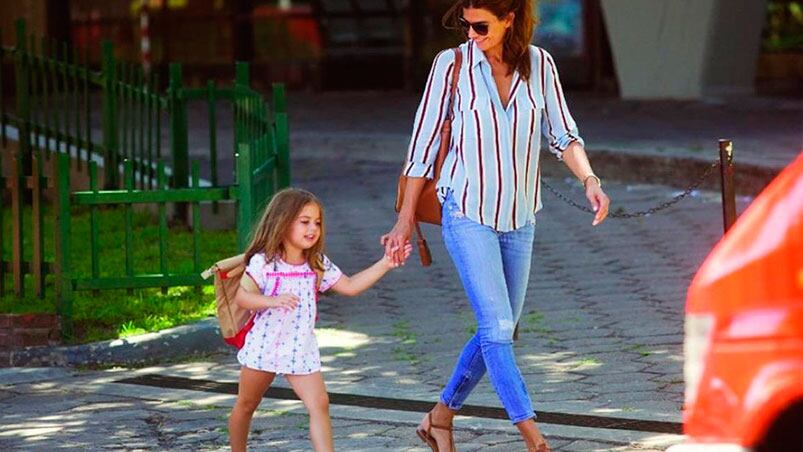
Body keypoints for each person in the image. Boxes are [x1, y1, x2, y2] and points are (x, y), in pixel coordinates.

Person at [382, 0, 611, 450]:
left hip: (520, 217)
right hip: (466, 212)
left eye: (480, 25)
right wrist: (404, 221)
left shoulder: (541, 65)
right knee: (498, 328)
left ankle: (440, 417)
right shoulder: (451, 66)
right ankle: (533, 436)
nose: (470, 33)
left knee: (500, 328)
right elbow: (422, 147)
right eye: (465, 24)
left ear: (510, 19)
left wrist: (590, 179)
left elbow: (563, 134)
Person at [229, 188, 412, 452]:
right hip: (264, 347)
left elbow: (350, 286)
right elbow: (242, 297)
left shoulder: (316, 264)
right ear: (282, 222)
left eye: (317, 222)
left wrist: (386, 263)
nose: (312, 228)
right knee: (246, 404)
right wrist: (272, 300)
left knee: (320, 403)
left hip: (300, 349)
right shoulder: (265, 262)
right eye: (304, 222)